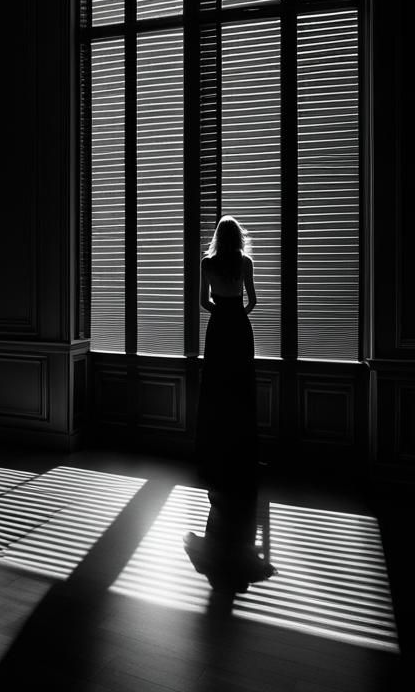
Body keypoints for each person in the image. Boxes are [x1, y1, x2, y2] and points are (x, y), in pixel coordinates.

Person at [184, 215, 275, 592]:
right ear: (239, 238)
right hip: (239, 327)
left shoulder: (207, 264)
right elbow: (254, 300)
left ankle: (215, 453)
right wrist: (237, 312)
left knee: (217, 391)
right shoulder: (246, 264)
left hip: (219, 327)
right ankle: (243, 456)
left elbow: (202, 301)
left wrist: (220, 311)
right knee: (240, 391)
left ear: (217, 238)